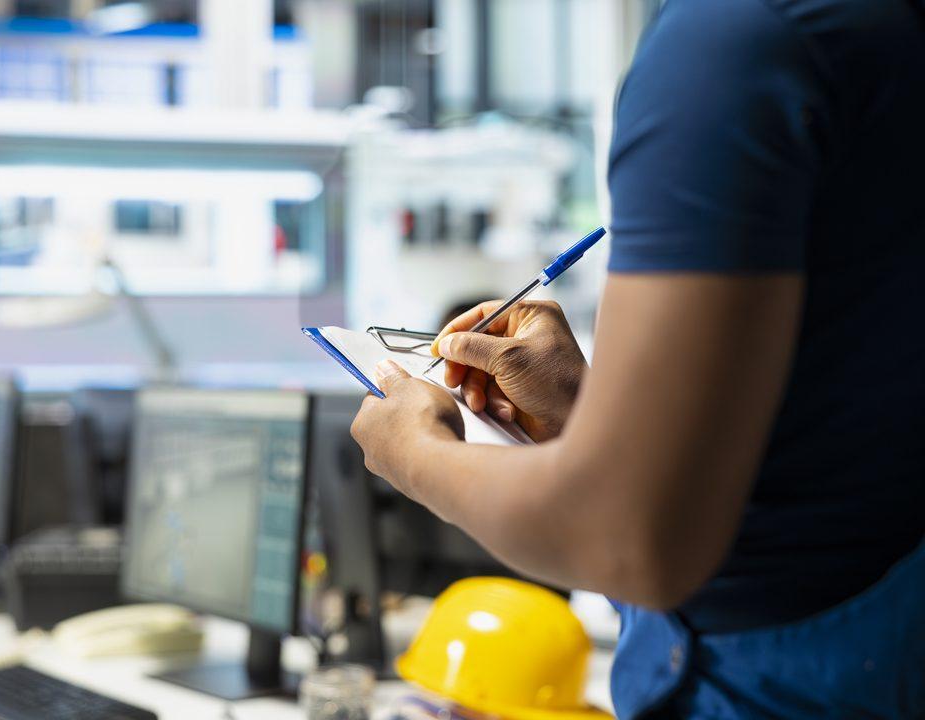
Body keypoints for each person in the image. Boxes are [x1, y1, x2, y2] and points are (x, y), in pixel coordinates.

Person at [350, 0, 925, 716]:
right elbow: (833, 412)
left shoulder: (735, 41)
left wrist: (412, 452)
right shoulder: (867, 31)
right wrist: (592, 425)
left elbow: (629, 539)